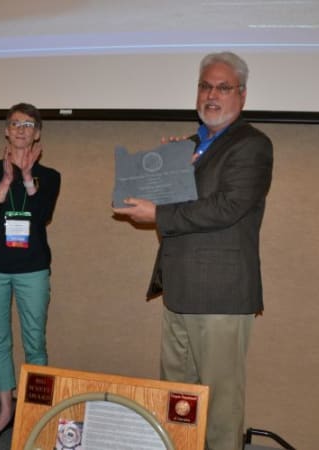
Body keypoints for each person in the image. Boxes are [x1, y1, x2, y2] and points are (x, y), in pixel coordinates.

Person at [112, 52, 273, 450]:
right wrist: (169, 169)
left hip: (221, 296)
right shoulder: (189, 145)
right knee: (176, 403)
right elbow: (175, 198)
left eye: (222, 87)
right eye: (205, 86)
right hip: (179, 290)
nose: (211, 95)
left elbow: (227, 206)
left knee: (219, 409)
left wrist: (158, 213)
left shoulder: (252, 144)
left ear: (242, 95)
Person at [0, 103, 61, 443]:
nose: (21, 129)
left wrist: (25, 178)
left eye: (28, 124)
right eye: (15, 123)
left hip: (32, 269)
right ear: (6, 131)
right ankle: (6, 410)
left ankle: (37, 411)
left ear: (37, 133)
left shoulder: (50, 176)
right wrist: (7, 179)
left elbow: (41, 216)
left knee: (35, 342)